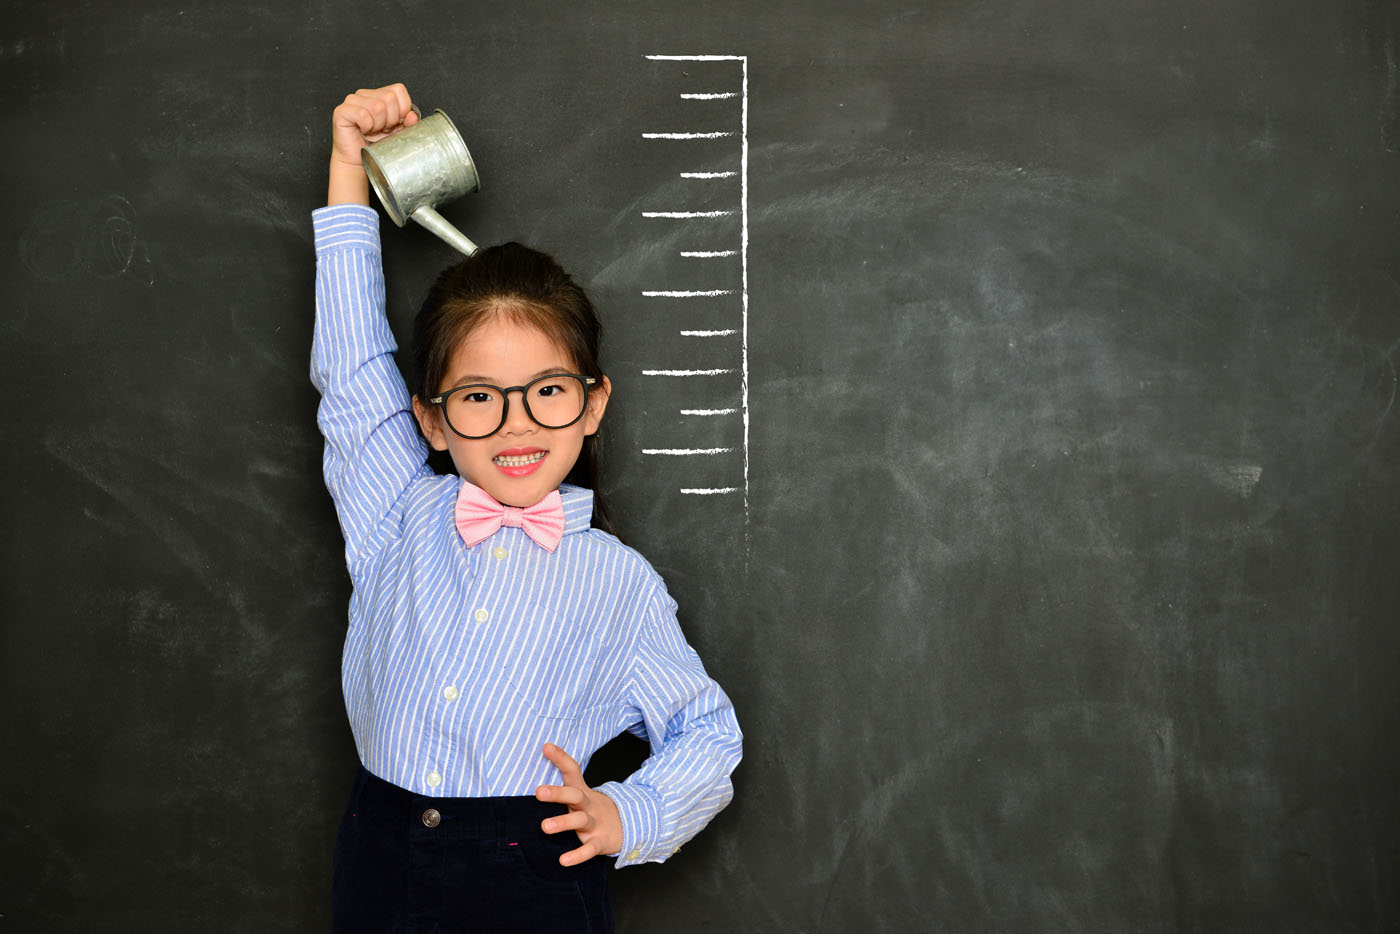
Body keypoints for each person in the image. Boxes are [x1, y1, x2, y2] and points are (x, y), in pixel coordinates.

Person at [311, 83, 742, 933]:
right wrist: (347, 174)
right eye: (478, 397)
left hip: (533, 884)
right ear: (430, 418)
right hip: (380, 861)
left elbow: (708, 730)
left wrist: (632, 814)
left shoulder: (618, 583)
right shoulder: (398, 511)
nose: (515, 424)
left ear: (593, 405)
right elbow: (354, 374)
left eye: (548, 391)